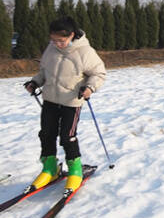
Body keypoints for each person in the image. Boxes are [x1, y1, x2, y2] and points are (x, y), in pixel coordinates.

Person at [24, 16, 106, 192]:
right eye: (53, 40)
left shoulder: (85, 52)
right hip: (50, 99)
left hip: (71, 101)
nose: (56, 44)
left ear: (72, 35)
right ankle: (49, 167)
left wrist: (90, 88)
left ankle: (75, 169)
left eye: (61, 40)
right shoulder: (51, 49)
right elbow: (44, 71)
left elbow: (99, 73)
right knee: (46, 133)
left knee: (67, 136)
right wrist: (35, 82)